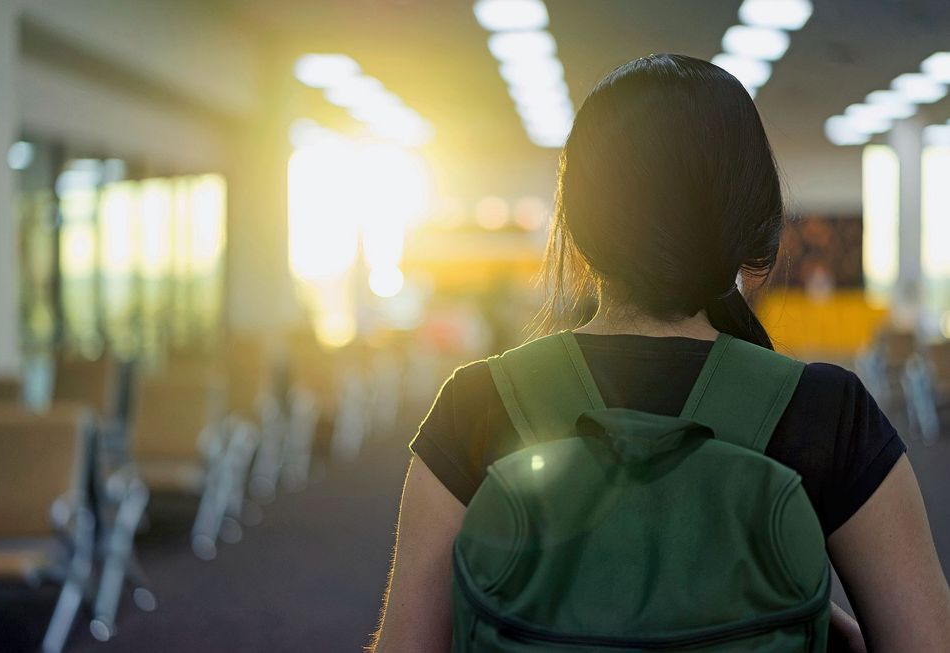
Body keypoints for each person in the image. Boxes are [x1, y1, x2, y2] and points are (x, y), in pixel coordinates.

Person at [370, 54, 950, 652]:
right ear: (753, 216)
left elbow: (407, 644)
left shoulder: (481, 403)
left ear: (578, 219)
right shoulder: (826, 414)